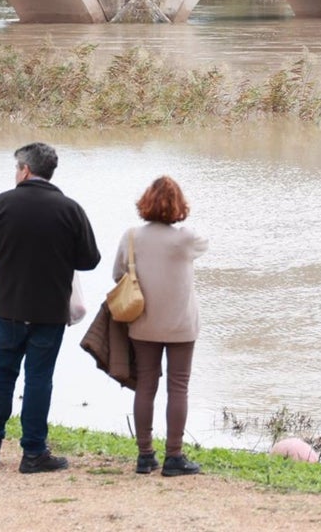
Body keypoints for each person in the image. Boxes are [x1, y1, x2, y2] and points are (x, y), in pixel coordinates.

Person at [0, 142, 101, 474]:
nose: (15, 173)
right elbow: (90, 260)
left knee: (1, 375)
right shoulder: (69, 209)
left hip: (8, 308)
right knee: (38, 379)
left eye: (16, 167)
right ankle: (33, 453)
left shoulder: (2, 204)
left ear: (26, 170)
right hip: (49, 312)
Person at [117, 175, 208, 476]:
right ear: (179, 205)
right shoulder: (186, 238)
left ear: (145, 203)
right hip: (181, 325)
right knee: (178, 386)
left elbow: (117, 273)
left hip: (143, 323)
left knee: (145, 385)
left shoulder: (131, 236)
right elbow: (205, 244)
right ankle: (174, 456)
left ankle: (145, 456)